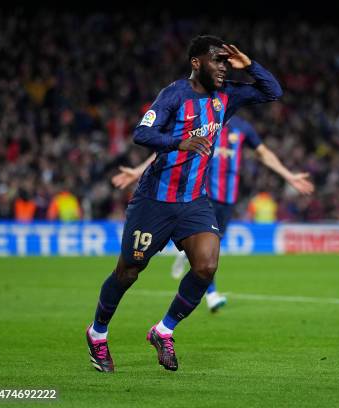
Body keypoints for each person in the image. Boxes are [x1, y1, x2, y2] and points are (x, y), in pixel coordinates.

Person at [86, 35, 282, 373]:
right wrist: (180, 142)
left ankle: (163, 331)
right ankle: (97, 333)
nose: (223, 67)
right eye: (216, 60)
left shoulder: (226, 96)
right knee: (129, 271)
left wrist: (249, 65)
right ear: (196, 63)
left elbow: (272, 91)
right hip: (155, 201)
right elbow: (142, 134)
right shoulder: (173, 95)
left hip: (193, 201)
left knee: (206, 267)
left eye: (225, 61)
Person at [112, 115, 314, 311]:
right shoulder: (204, 123)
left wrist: (289, 176)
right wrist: (139, 171)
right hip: (202, 196)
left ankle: (188, 259)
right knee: (207, 249)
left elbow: (264, 153)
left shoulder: (242, 128)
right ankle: (212, 294)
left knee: (213, 246)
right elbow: (170, 150)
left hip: (228, 198)